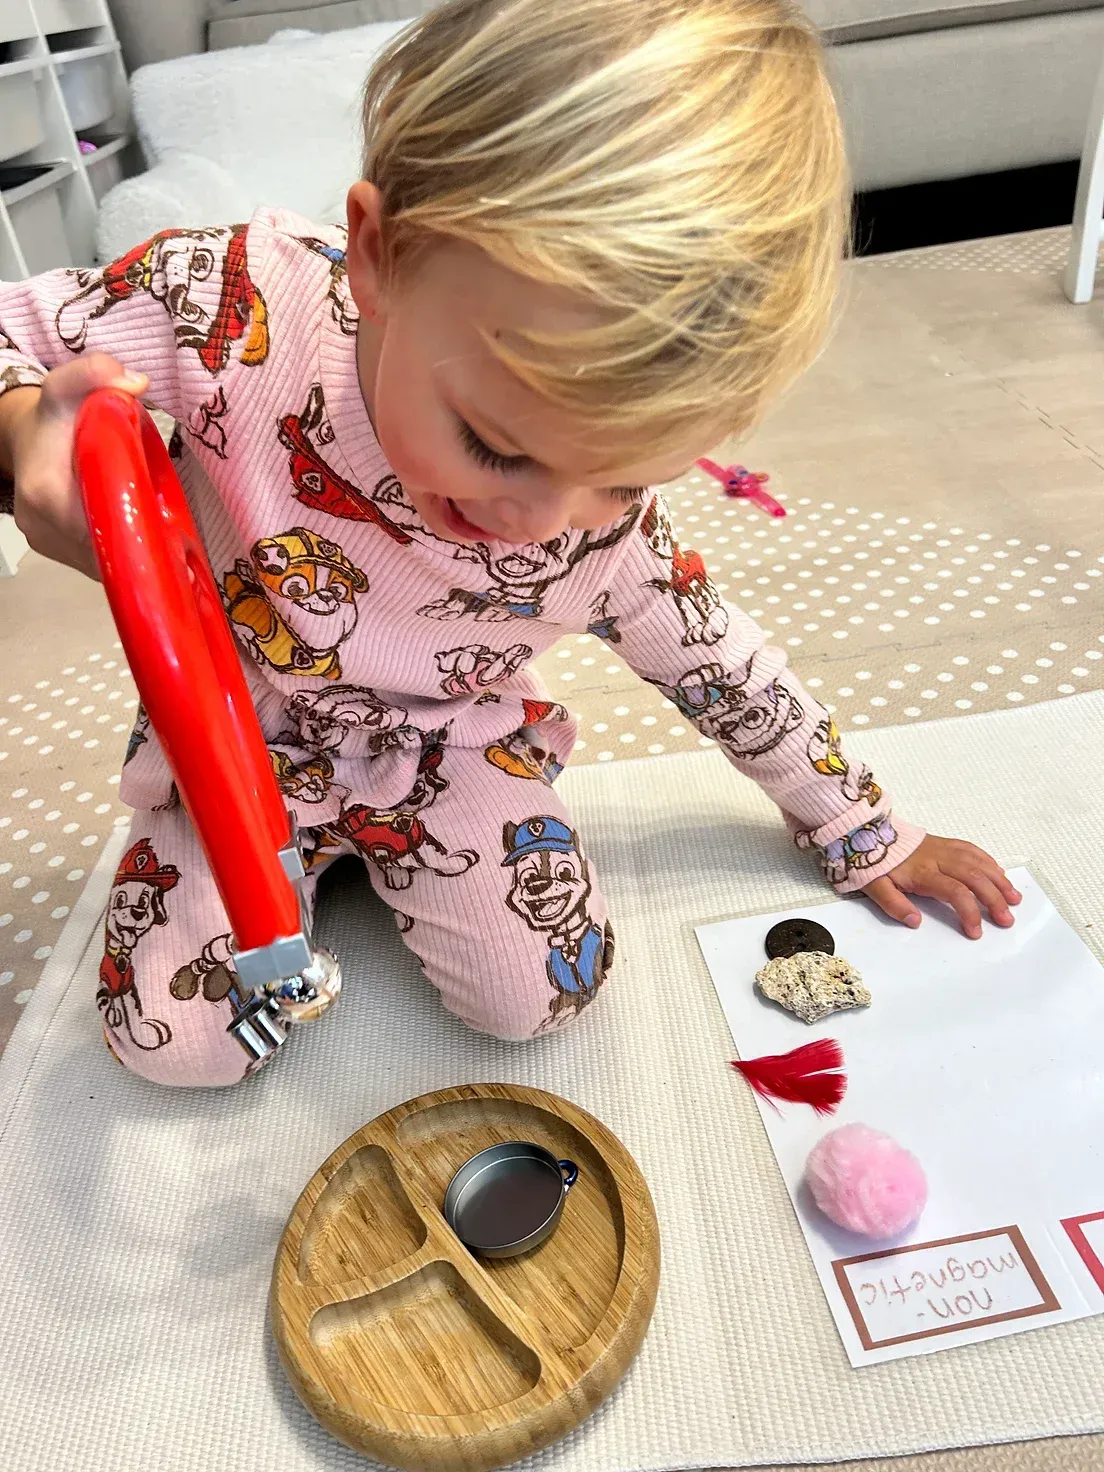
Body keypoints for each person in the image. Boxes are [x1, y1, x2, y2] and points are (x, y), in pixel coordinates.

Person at [0, 0, 1019, 1087]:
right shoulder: (228, 302)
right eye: (495, 444)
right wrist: (25, 438)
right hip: (227, 738)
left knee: (547, 997)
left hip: (448, 750)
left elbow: (724, 667)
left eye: (625, 476)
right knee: (178, 1048)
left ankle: (365, 857)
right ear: (379, 253)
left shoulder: (601, 532)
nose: (542, 523)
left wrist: (869, 831)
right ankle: (287, 862)